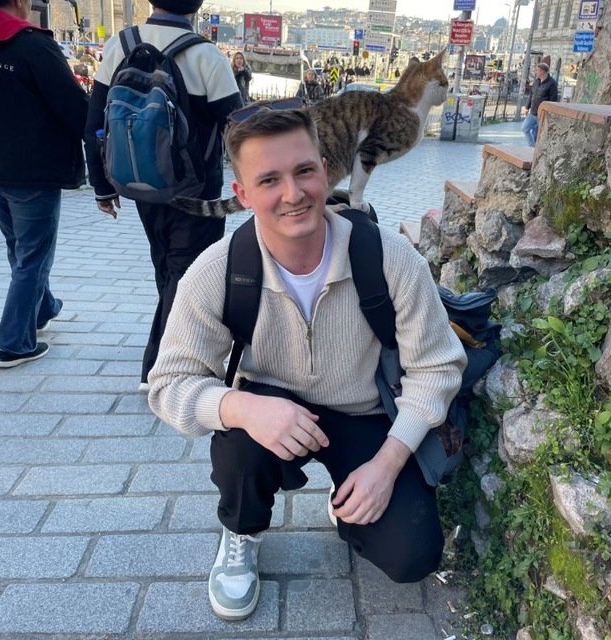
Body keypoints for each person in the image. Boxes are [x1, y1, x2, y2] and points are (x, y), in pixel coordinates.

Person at [148, 108, 467, 621]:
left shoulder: (389, 257)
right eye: (269, 180)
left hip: (366, 412)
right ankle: (242, 530)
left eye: (303, 171)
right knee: (238, 441)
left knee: (413, 556)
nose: (293, 194)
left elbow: (437, 367)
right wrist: (241, 408)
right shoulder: (218, 271)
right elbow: (168, 384)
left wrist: (386, 466)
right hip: (270, 415)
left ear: (324, 169)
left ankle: (348, 498)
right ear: (242, 194)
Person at [84, 0, 242, 391]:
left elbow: (93, 123)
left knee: (168, 264)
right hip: (196, 192)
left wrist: (103, 186)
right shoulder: (206, 56)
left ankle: (179, 343)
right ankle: (160, 367)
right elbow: (240, 131)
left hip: (140, 183)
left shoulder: (120, 46)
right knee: (186, 274)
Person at [0, 0, 88, 368]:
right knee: (33, 255)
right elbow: (74, 105)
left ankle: (42, 308)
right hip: (33, 168)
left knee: (20, 247)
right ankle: (13, 343)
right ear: (20, 2)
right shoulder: (32, 44)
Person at [522, 61, 558, 147]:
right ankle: (532, 146)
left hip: (542, 114)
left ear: (542, 71)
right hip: (532, 112)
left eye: (537, 70)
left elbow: (553, 100)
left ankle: (535, 150)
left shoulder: (552, 83)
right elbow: (531, 95)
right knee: (524, 128)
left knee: (537, 134)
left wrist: (549, 113)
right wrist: (527, 107)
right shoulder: (536, 81)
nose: (536, 72)